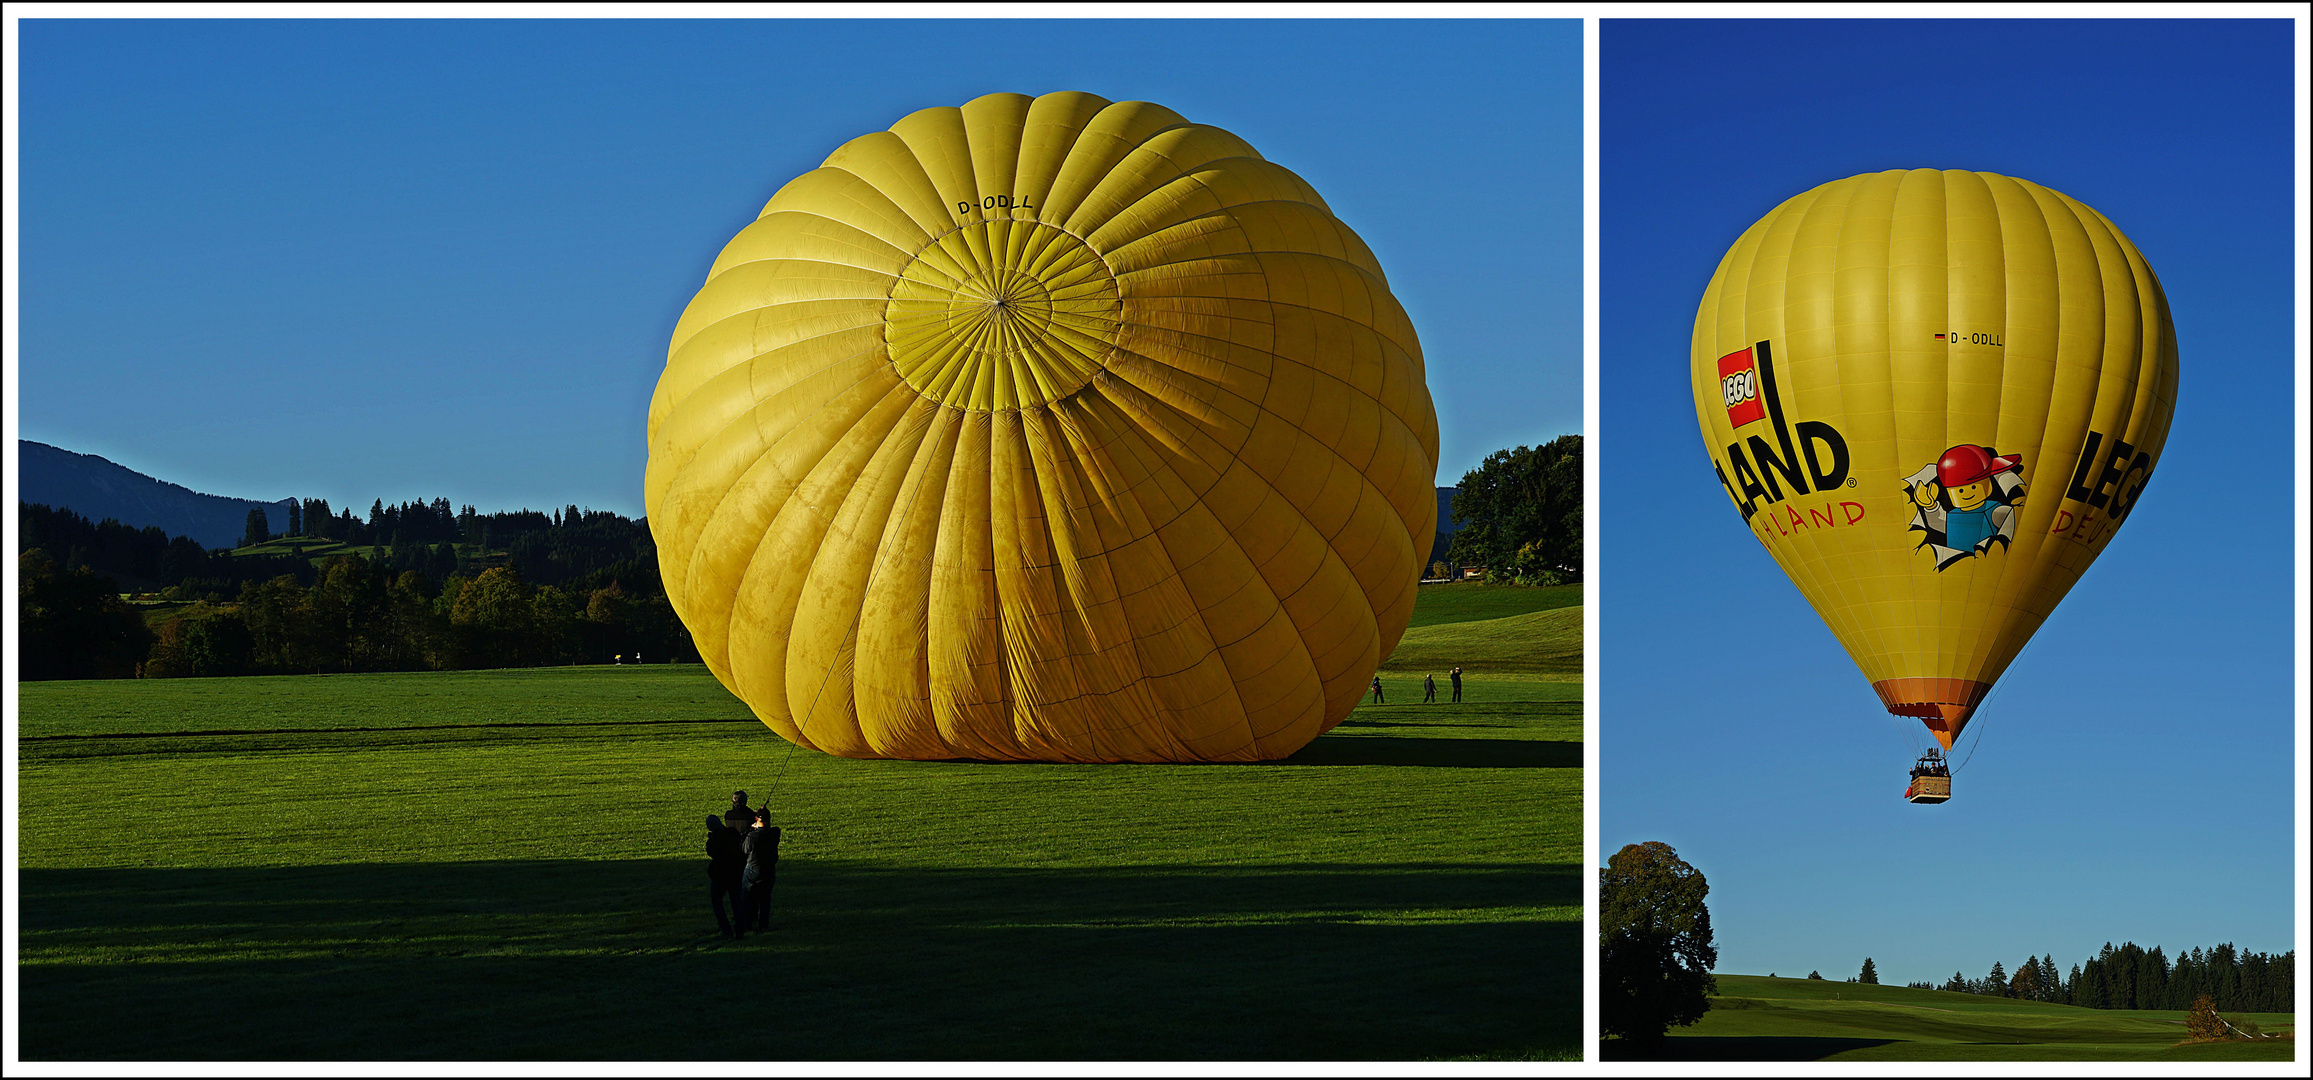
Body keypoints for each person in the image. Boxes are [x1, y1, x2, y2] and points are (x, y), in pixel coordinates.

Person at [706, 811, 749, 938]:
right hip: (735, 873)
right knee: (736, 902)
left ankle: (726, 929)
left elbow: (712, 852)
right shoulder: (732, 834)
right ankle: (740, 929)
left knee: (717, 902)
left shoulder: (713, 842)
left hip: (720, 876)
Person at [741, 812, 782, 932]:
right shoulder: (774, 833)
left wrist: (751, 830)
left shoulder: (752, 836)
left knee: (746, 896)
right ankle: (763, 925)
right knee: (765, 897)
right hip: (768, 868)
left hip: (753, 869)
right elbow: (771, 829)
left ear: (756, 819)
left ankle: (747, 923)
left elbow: (744, 849)